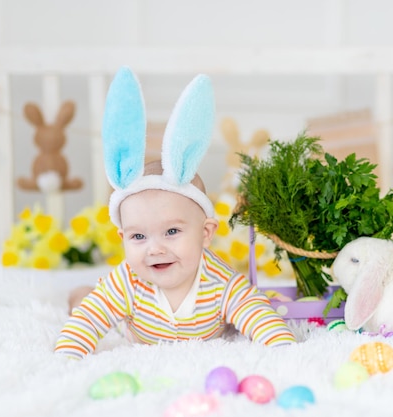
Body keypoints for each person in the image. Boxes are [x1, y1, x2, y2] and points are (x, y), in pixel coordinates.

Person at [54, 69, 295, 359]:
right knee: (87, 303)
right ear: (123, 237)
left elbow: (256, 312)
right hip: (134, 331)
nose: (155, 248)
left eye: (171, 232)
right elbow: (89, 320)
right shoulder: (128, 281)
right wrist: (67, 358)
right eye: (138, 236)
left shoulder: (221, 282)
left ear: (205, 233)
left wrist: (283, 350)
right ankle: (81, 291)